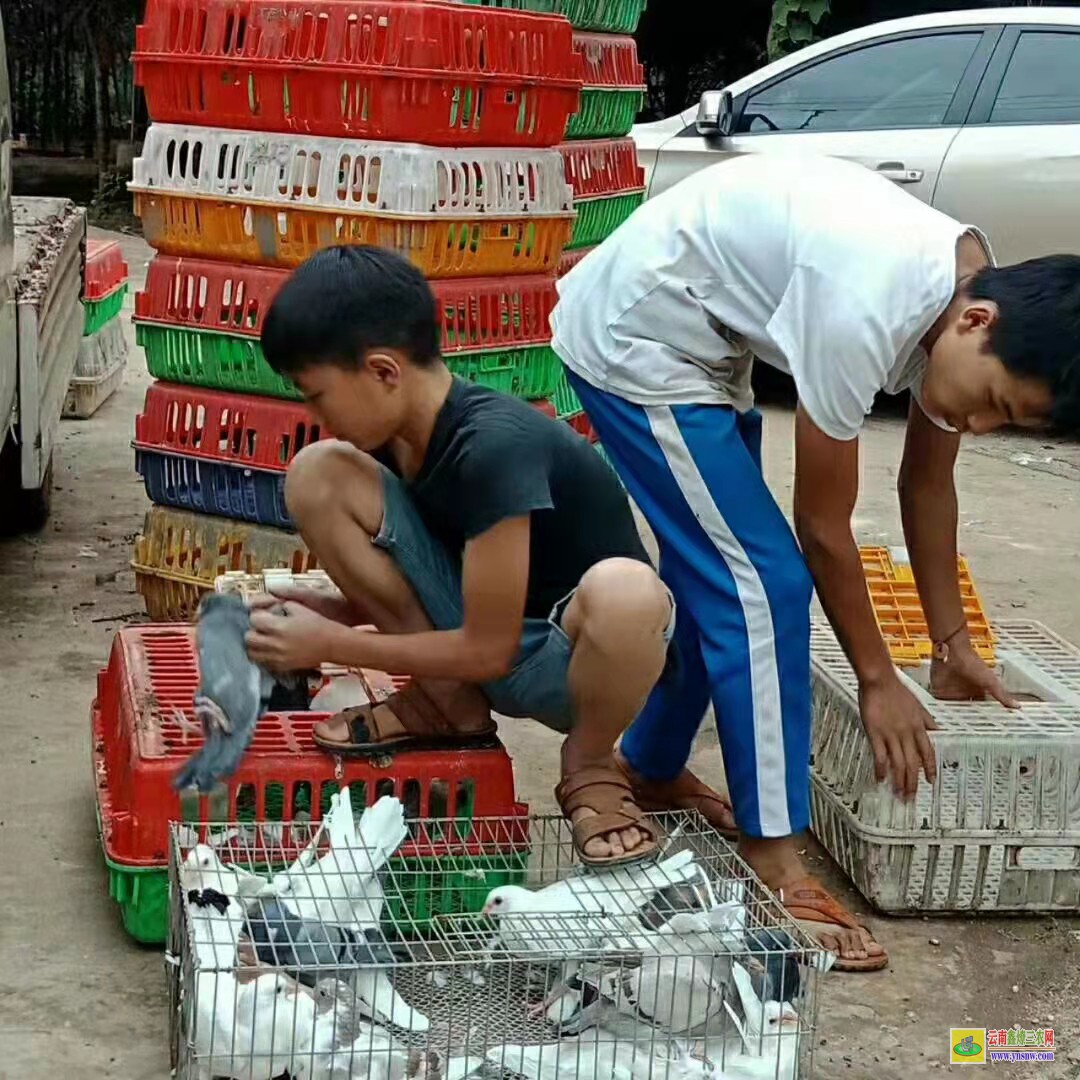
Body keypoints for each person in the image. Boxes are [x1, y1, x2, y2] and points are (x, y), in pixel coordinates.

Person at [550, 152, 1080, 971]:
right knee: (764, 589)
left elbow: (929, 485)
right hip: (639, 339)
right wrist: (878, 680)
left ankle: (651, 765)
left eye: (1005, 423)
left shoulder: (969, 290)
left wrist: (951, 644)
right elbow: (824, 527)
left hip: (706, 336)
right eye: (995, 403)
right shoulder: (867, 304)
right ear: (977, 324)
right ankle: (775, 859)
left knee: (720, 579)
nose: (978, 426)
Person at [243, 244, 737, 869]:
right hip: (481, 637)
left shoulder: (494, 448)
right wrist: (341, 610)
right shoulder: (393, 437)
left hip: (575, 663)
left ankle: (589, 764)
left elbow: (489, 650)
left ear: (384, 371)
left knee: (629, 590)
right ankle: (446, 705)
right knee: (318, 472)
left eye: (317, 394)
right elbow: (457, 583)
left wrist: (331, 646)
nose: (312, 412)